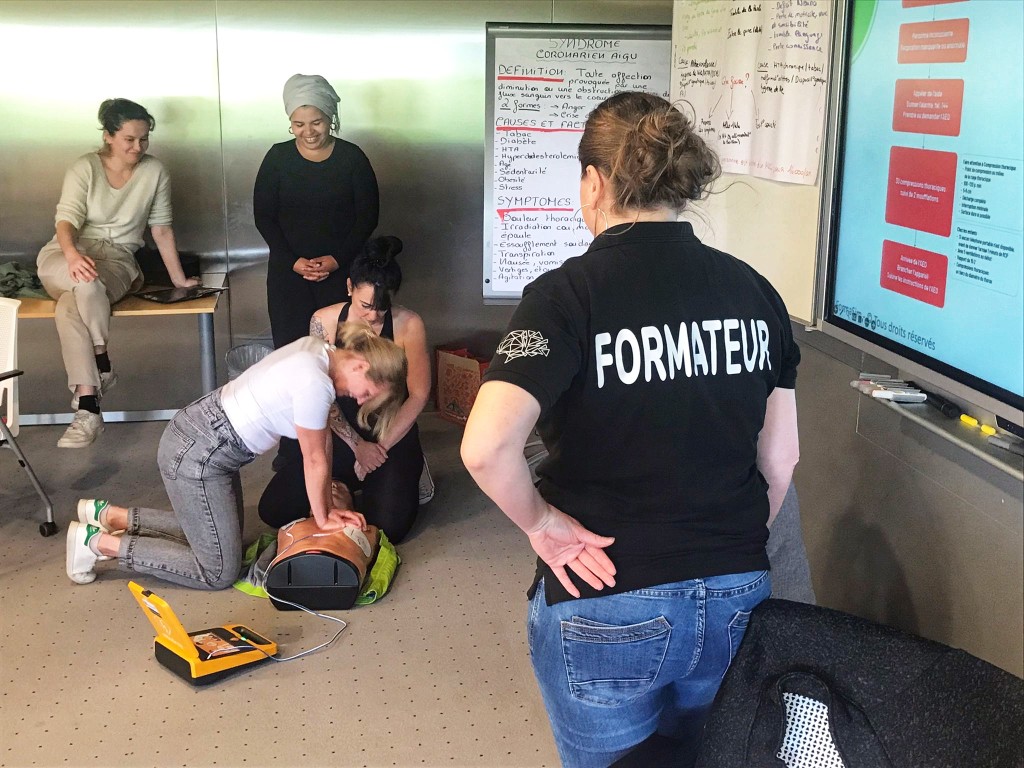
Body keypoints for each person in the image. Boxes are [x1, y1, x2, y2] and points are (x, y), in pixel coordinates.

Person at [460, 92, 801, 768]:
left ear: (594, 182)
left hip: (606, 593)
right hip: (738, 594)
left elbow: (485, 447)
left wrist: (541, 525)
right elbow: (782, 458)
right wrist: (726, 541)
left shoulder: (565, 296)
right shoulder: (755, 292)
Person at [65, 323, 408, 590]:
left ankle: (108, 515)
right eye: (367, 393)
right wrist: (323, 518)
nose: (360, 401)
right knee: (217, 570)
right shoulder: (314, 382)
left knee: (217, 537)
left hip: (203, 437)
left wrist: (328, 510)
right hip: (199, 453)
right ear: (360, 365)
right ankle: (97, 544)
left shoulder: (318, 351)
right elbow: (315, 458)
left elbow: (324, 440)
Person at [36, 98, 199, 449]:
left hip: (117, 260)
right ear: (108, 136)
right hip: (64, 254)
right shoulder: (84, 167)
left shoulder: (155, 172)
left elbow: (161, 229)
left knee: (72, 303)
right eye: (129, 139)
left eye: (144, 139)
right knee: (82, 280)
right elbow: (65, 220)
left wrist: (178, 280)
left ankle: (88, 406)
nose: (138, 147)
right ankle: (102, 363)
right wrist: (72, 256)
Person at [258, 236, 429, 544]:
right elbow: (320, 395)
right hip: (340, 433)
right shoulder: (324, 320)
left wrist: (378, 449)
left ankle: (402, 474)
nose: (373, 316)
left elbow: (418, 395)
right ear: (349, 287)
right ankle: (346, 487)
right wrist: (356, 446)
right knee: (275, 508)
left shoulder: (409, 324)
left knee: (390, 527)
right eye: (366, 306)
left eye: (382, 307)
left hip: (390, 434)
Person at [254, 73, 380, 350]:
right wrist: (292, 261)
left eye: (316, 122)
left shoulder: (352, 158)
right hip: (289, 275)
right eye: (298, 124)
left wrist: (337, 259)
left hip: (342, 273)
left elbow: (368, 216)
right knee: (292, 352)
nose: (308, 132)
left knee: (344, 353)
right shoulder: (277, 158)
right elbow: (264, 217)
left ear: (330, 118)